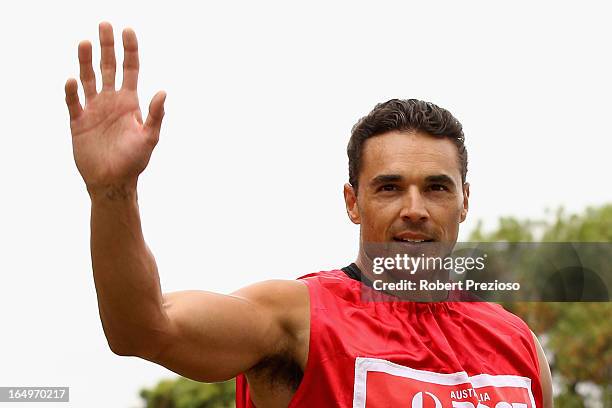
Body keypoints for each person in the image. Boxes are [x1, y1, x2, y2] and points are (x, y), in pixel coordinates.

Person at [64, 22, 554, 407]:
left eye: (436, 188)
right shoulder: (295, 320)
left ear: (464, 200)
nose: (414, 209)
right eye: (388, 188)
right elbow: (142, 326)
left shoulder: (518, 344)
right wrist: (114, 191)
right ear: (352, 202)